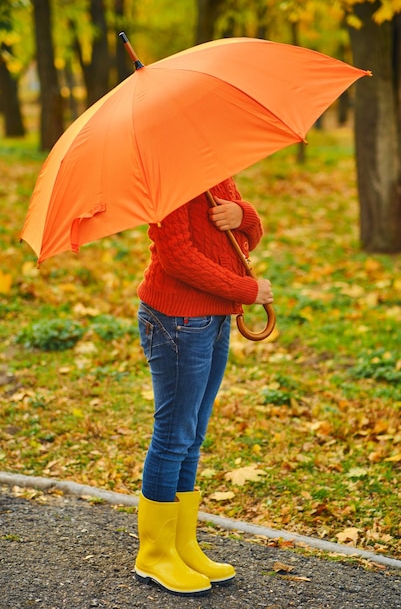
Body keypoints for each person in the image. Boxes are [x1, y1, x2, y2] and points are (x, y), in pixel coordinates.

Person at [135, 177, 274, 597]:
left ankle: (182, 543)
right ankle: (155, 555)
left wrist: (244, 215)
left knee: (193, 434)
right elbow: (177, 258)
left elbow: (243, 239)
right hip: (177, 320)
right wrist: (246, 290)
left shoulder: (215, 172)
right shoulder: (169, 181)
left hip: (213, 318)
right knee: (174, 435)